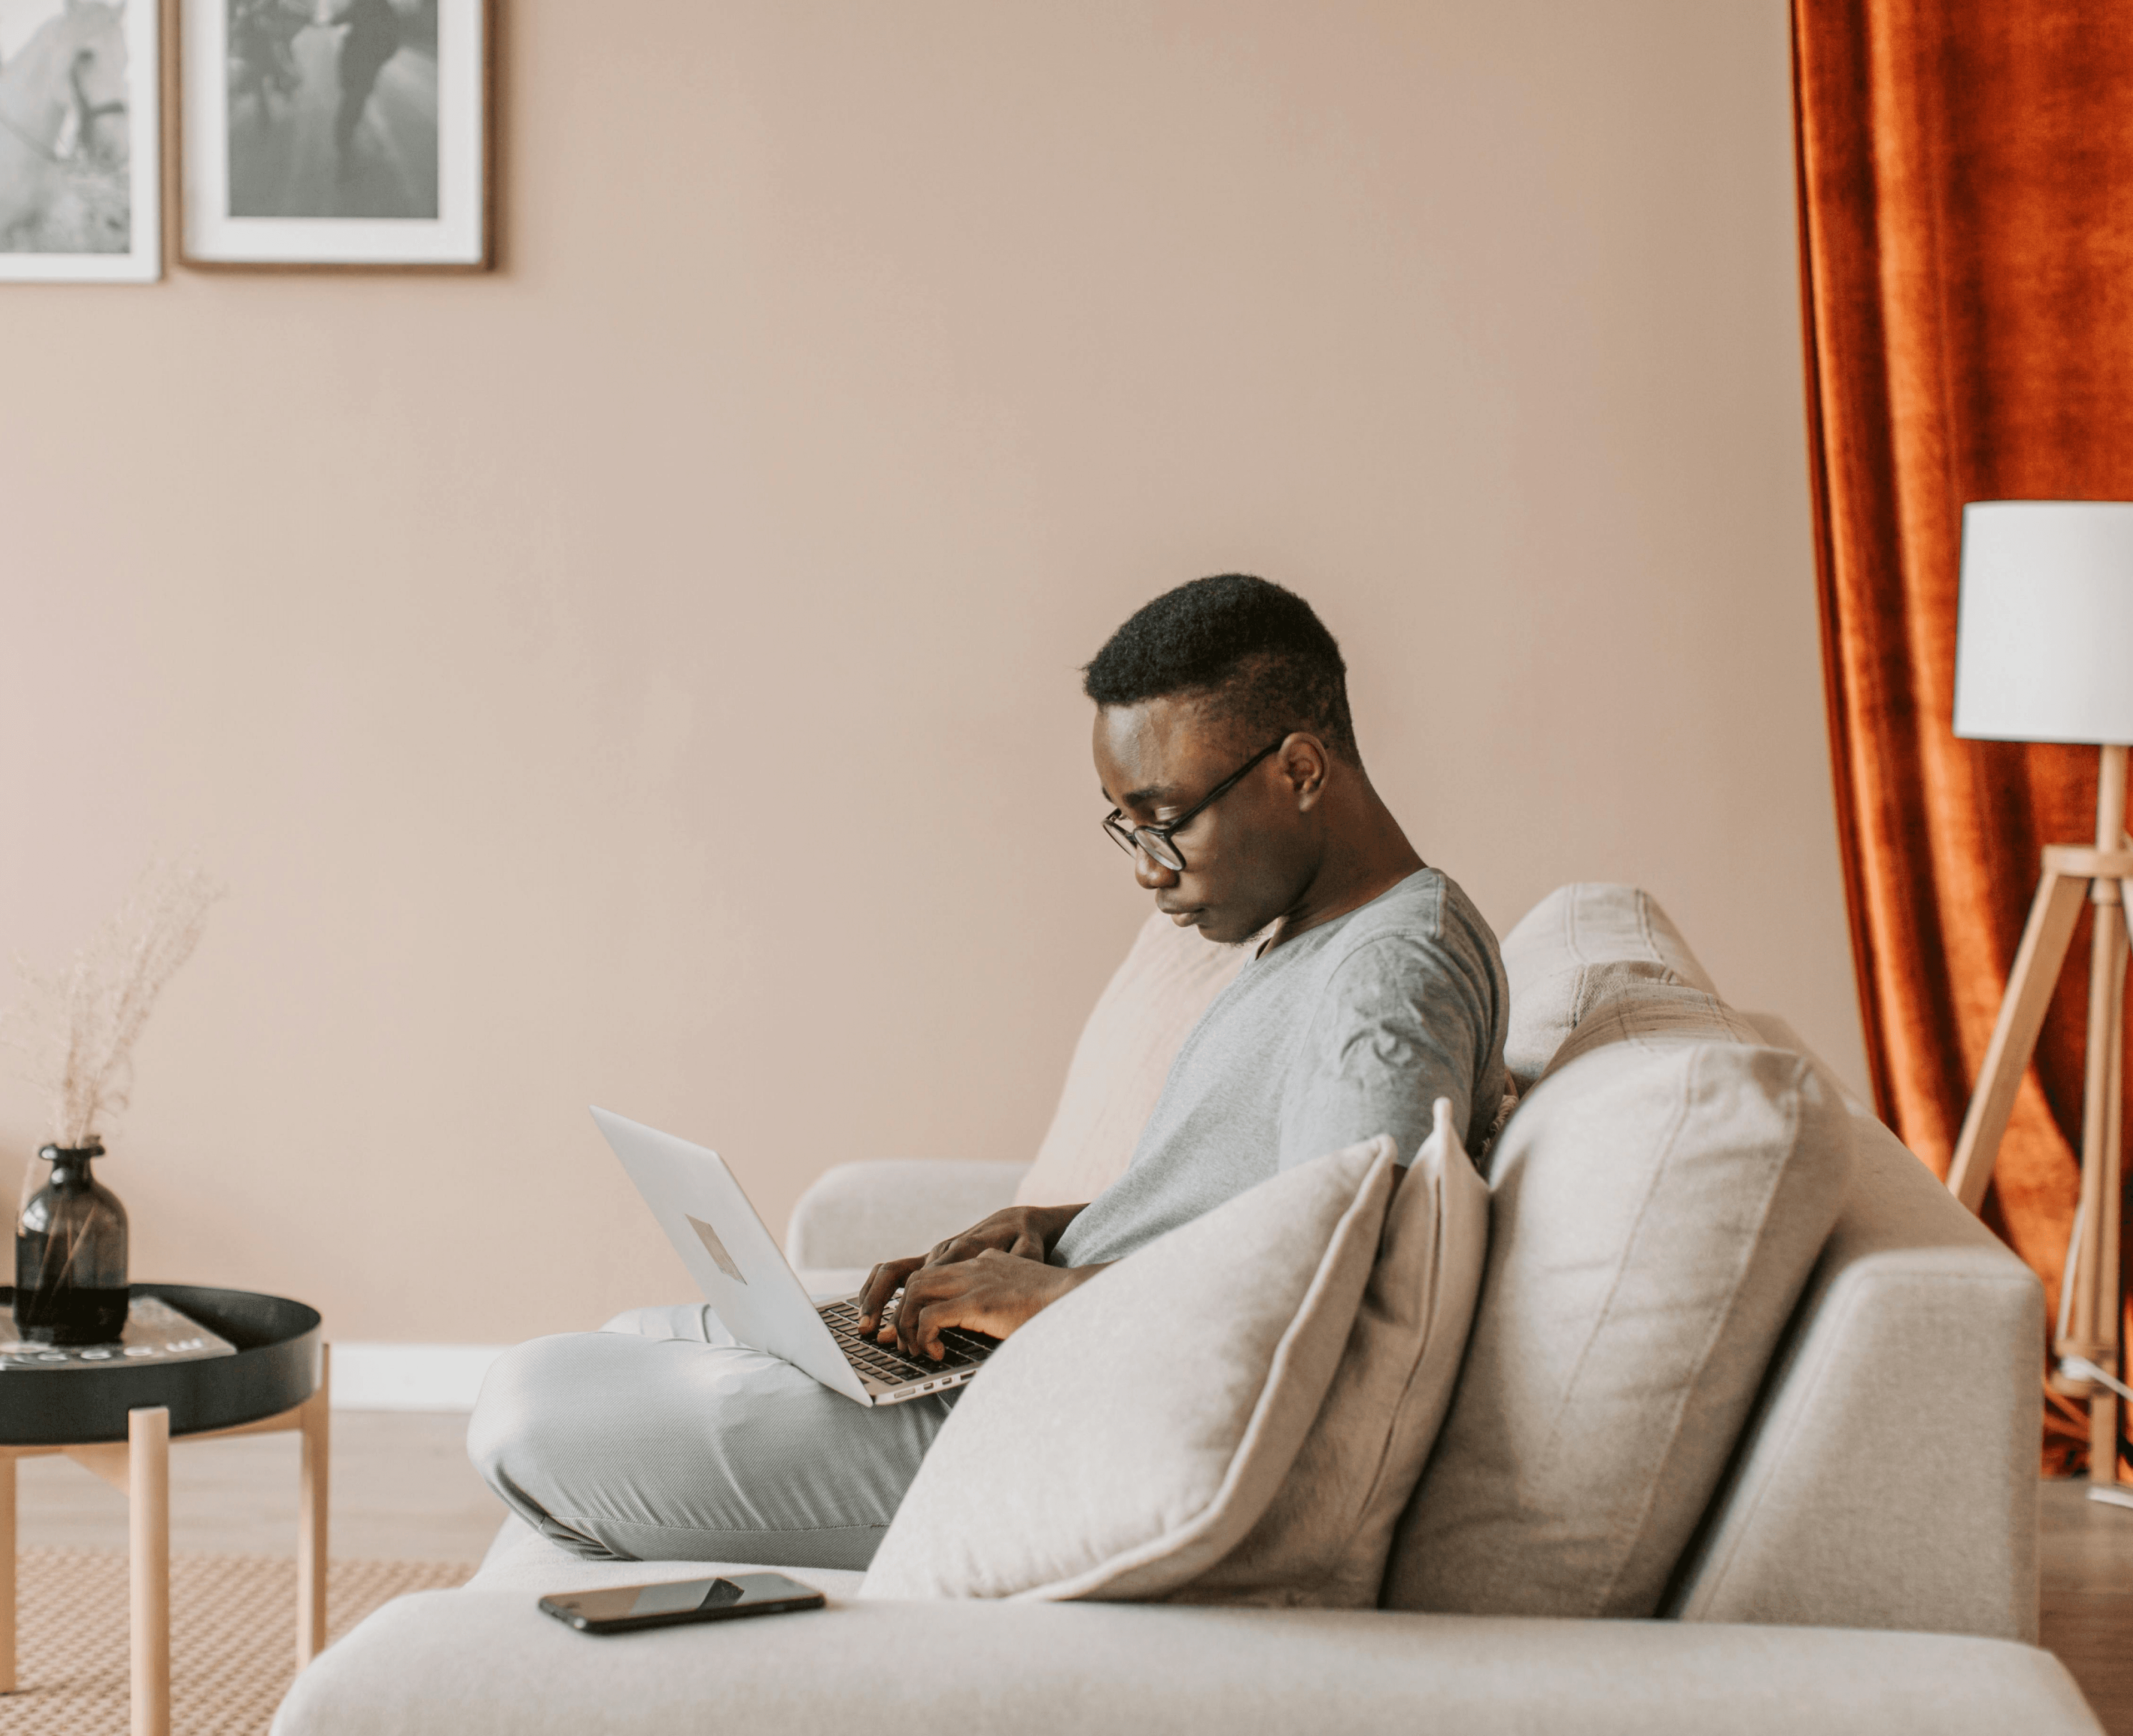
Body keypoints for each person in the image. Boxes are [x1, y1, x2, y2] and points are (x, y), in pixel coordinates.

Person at [468, 575, 1507, 1569]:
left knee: (529, 1405)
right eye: (1127, 827)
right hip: (1046, 1369)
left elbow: (1340, 1301)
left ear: (1301, 771)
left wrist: (1050, 1302)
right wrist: (1059, 1229)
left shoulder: (1389, 984)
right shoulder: (1321, 937)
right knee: (627, 1339)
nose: (1148, 868)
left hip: (1053, 1430)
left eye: (1165, 819)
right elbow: (1273, 1204)